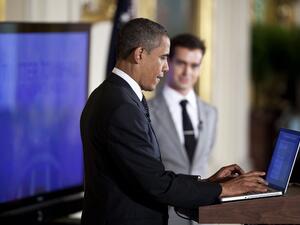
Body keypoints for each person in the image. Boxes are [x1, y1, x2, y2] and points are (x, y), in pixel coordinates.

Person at [80, 18, 268, 225]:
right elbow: (156, 183)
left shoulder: (111, 95)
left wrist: (207, 183)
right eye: (163, 58)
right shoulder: (121, 105)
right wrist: (224, 188)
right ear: (140, 54)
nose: (167, 67)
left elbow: (145, 175)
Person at [148, 34, 216, 225]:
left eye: (194, 66)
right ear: (168, 62)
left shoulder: (211, 114)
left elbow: (202, 162)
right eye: (181, 63)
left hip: (202, 217)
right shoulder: (146, 112)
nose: (187, 72)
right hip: (162, 216)